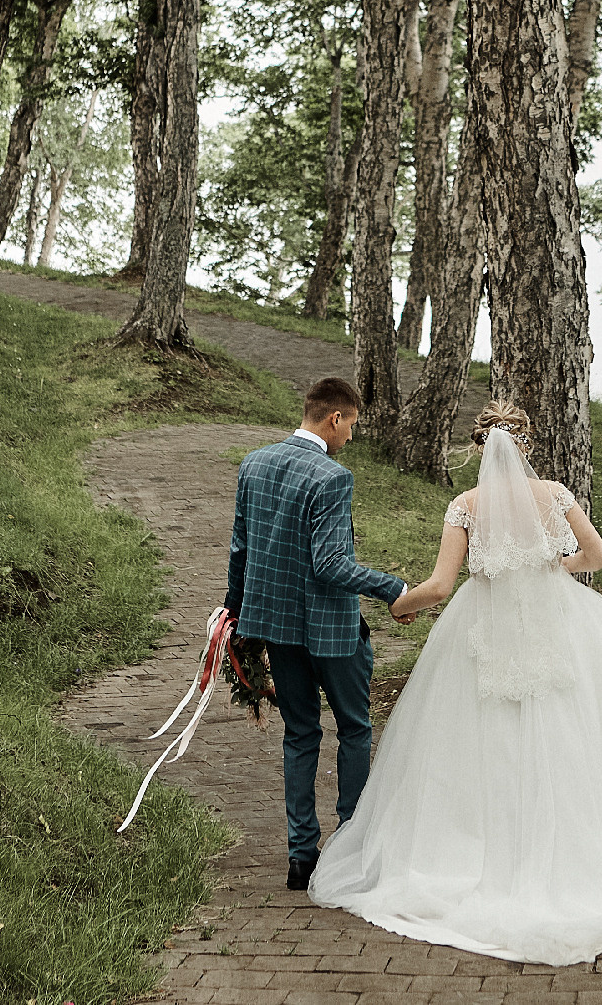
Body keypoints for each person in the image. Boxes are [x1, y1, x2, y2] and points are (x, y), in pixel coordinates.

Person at [308, 402, 602, 965]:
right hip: (558, 621)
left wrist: (400, 606)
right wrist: (547, 572)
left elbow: (439, 585)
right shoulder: (556, 493)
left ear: (479, 447)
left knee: (478, 738)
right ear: (525, 446)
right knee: (572, 732)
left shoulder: (464, 506)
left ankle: (480, 848)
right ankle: (577, 852)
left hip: (484, 626)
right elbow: (598, 557)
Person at [223, 376, 414, 892]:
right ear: (335, 419)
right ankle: (350, 849)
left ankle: (300, 857)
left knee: (300, 733)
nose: (351, 437)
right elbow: (331, 565)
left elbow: (240, 549)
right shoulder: (332, 477)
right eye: (352, 426)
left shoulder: (255, 463)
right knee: (354, 728)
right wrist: (392, 587)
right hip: (331, 630)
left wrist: (233, 617)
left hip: (275, 628)